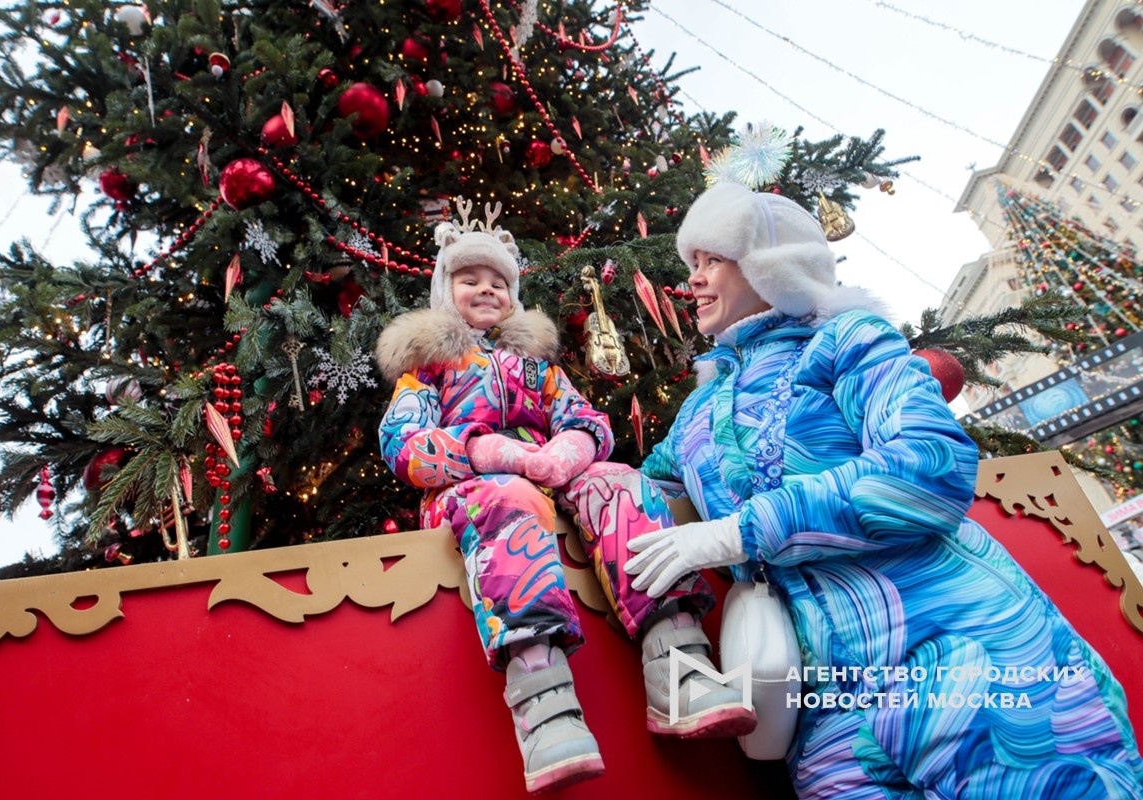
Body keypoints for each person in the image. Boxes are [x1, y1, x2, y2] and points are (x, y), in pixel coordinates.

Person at [623, 178, 1143, 799]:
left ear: (769, 265)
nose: (694, 280)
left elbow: (930, 466)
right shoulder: (695, 416)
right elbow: (629, 490)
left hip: (962, 650)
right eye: (692, 264)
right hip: (823, 717)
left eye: (712, 260)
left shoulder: (849, 341)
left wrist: (741, 530)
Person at [375, 198, 755, 794]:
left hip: (551, 474)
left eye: (498, 281)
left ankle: (679, 669)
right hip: (473, 487)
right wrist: (484, 453)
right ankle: (543, 702)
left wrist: (571, 449)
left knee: (621, 483)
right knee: (510, 499)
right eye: (468, 279)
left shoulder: (536, 364)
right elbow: (403, 442)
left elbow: (583, 418)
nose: (485, 289)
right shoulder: (429, 365)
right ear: (443, 291)